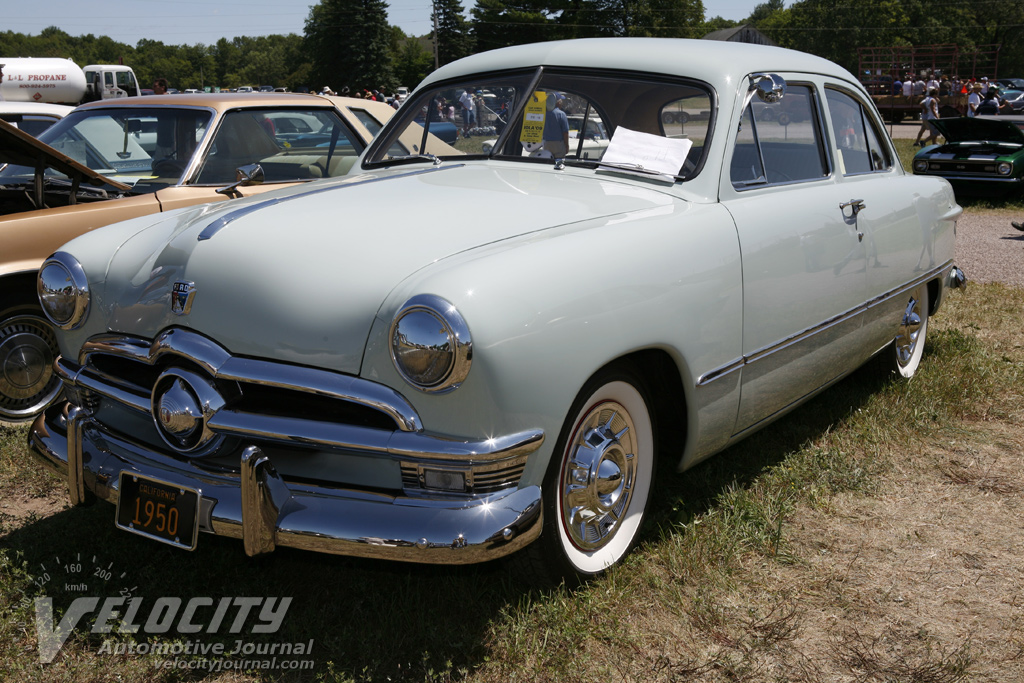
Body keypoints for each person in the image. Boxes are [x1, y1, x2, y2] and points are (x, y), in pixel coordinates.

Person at [542, 92, 570, 158]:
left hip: (546, 143)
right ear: (557, 102)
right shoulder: (561, 114)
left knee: (547, 162)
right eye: (561, 100)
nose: (561, 102)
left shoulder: (544, 114)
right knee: (559, 163)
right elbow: (565, 133)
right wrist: (567, 145)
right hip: (558, 144)